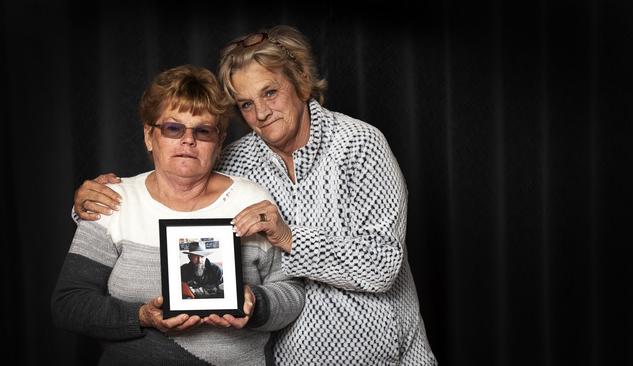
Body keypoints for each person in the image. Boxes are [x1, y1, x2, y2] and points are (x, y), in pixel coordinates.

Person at [73, 25, 436, 365]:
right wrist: (95, 203)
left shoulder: (359, 145)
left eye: (270, 92)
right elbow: (181, 187)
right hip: (290, 358)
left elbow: (381, 265)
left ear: (302, 82)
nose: (261, 113)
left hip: (384, 354)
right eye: (246, 104)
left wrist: (289, 237)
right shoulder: (237, 159)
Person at [53, 64, 304, 365]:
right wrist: (140, 316)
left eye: (203, 131)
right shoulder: (113, 200)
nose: (188, 140)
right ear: (149, 135)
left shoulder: (250, 199)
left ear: (219, 142)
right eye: (173, 128)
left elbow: (292, 293)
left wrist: (257, 304)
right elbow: (68, 304)